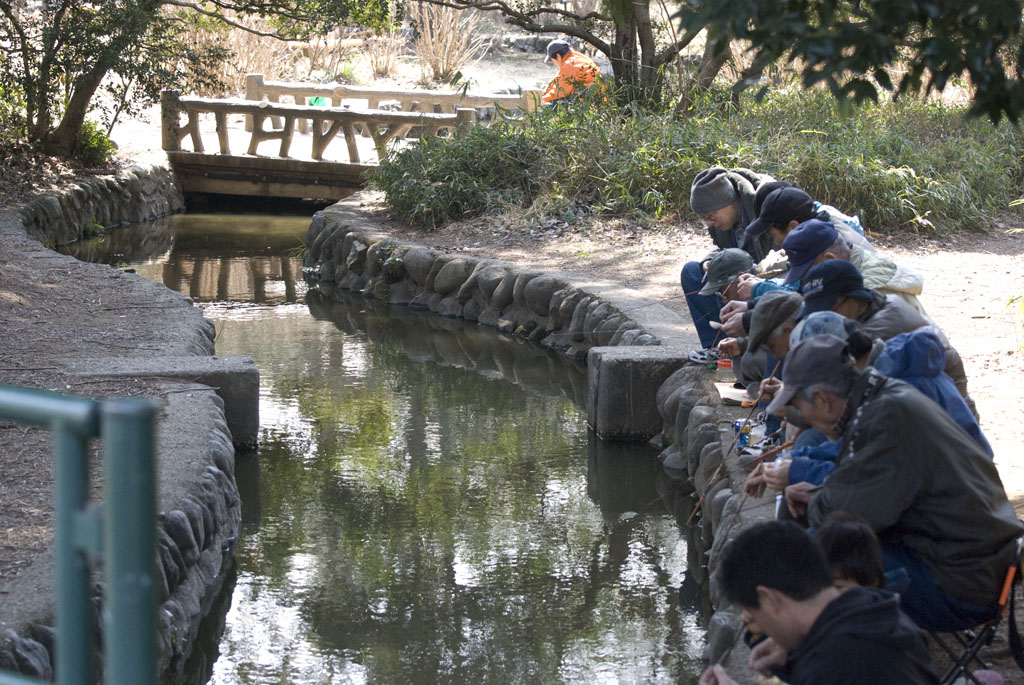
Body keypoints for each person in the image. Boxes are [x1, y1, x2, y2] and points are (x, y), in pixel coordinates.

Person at [767, 335, 1022, 632]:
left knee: (815, 560)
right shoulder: (885, 397)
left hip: (961, 584)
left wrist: (820, 499)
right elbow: (863, 490)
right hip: (974, 562)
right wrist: (821, 494)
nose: (802, 416)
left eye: (800, 407)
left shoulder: (885, 418)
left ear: (822, 399)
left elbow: (845, 516)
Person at [698, 521, 938, 685]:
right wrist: (794, 658)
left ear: (769, 598)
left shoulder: (832, 665)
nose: (750, 621)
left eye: (752, 610)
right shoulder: (871, 604)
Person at [798, 259, 971, 409]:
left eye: (828, 309)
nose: (823, 318)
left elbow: (840, 403)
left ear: (853, 299)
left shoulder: (875, 336)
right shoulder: (882, 302)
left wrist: (792, 406)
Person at [683, 167, 776, 350]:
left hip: (763, 278)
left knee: (732, 282)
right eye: (704, 219)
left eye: (711, 216)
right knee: (692, 272)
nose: (710, 223)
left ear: (731, 202)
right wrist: (710, 261)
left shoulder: (765, 207)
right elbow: (720, 247)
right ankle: (716, 346)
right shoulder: (721, 221)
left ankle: (743, 343)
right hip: (737, 274)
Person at [540, 39, 602, 105]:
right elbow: (558, 79)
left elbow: (561, 91)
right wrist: (545, 91)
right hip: (597, 97)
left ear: (558, 56)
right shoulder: (578, 57)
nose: (554, 63)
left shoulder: (569, 64)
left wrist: (541, 99)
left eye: (552, 60)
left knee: (547, 105)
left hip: (589, 102)